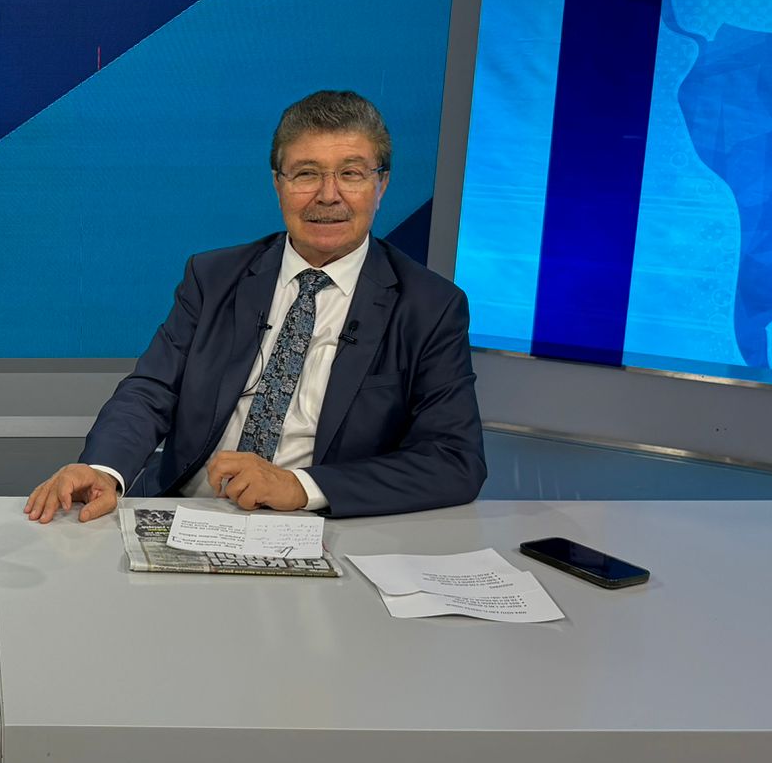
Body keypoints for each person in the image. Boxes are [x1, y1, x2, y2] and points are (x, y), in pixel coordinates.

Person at [26, 89, 485, 523]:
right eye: (306, 174)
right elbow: (151, 391)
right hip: (185, 512)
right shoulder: (214, 277)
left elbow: (453, 460)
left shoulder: (430, 307)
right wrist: (104, 470)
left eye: (350, 174)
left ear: (381, 184)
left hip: (320, 526)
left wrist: (302, 487)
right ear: (278, 184)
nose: (328, 195)